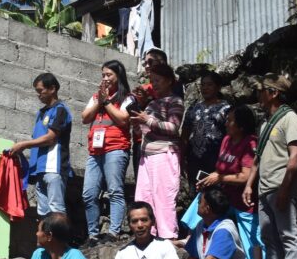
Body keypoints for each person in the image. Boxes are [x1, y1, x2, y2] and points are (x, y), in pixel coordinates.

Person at [242, 74, 297, 259]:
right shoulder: (265, 124)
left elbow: (295, 155)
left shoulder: (291, 119)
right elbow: (257, 159)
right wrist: (250, 185)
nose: (258, 95)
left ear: (274, 93)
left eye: (262, 91)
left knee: (288, 233)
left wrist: (286, 189)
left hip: (281, 186)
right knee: (269, 236)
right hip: (264, 190)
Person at [196, 104, 260, 259]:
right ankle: (194, 248)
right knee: (200, 205)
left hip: (243, 202)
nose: (226, 123)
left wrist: (220, 178)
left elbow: (246, 176)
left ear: (241, 125)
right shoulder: (226, 140)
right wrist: (209, 179)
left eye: (230, 121)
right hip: (225, 197)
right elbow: (221, 168)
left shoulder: (250, 143)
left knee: (251, 241)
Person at [81, 60, 135, 243]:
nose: (105, 78)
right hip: (95, 151)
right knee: (88, 193)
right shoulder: (96, 96)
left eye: (109, 75)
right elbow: (85, 117)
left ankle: (113, 232)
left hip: (116, 149)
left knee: (115, 191)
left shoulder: (127, 97)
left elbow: (122, 119)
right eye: (103, 75)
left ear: (118, 76)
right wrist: (100, 101)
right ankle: (93, 234)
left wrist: (107, 103)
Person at [7, 73, 73, 216]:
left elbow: (51, 138)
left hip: (53, 168)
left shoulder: (60, 110)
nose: (38, 95)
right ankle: (43, 238)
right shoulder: (41, 112)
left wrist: (24, 145)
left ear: (52, 89)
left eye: (40, 90)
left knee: (56, 209)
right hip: (39, 168)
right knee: (42, 212)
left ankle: (59, 238)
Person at [131, 62, 184, 239]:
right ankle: (149, 236)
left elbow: (173, 128)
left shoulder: (175, 101)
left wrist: (147, 120)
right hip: (147, 156)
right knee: (144, 198)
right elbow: (145, 131)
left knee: (164, 199)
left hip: (164, 154)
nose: (154, 83)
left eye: (158, 80)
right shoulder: (152, 103)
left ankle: (168, 237)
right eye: (152, 80)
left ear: (169, 81)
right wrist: (138, 125)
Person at [181, 71, 230, 185]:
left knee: (214, 196)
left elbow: (230, 138)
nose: (205, 88)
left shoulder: (226, 109)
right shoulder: (194, 108)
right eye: (203, 85)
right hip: (194, 160)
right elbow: (185, 134)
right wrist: (182, 157)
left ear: (218, 87)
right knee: (195, 194)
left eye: (209, 85)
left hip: (216, 161)